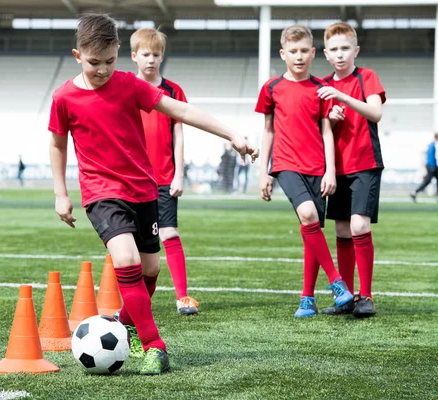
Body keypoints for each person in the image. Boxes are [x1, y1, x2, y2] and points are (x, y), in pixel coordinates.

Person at [48, 13, 257, 374]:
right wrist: (60, 194)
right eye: (94, 63)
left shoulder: (130, 85)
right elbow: (56, 144)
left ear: (117, 52)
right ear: (77, 55)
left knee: (150, 269)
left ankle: (124, 320)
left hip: (144, 191)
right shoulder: (64, 97)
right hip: (101, 193)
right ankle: (153, 345)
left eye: (109, 61)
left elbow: (181, 110)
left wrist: (231, 134)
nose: (102, 70)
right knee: (126, 261)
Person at [256, 25, 354, 318]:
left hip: (317, 168)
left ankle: (307, 299)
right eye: (293, 52)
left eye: (303, 52)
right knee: (309, 216)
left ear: (312, 53)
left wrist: (331, 171)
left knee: (312, 232)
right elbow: (268, 131)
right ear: (283, 54)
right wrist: (264, 172)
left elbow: (327, 132)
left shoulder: (321, 90)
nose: (298, 57)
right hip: (286, 165)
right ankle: (337, 282)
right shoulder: (271, 87)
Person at [317, 22, 387, 317]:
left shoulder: (366, 77)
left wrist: (343, 98)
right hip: (337, 168)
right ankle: (346, 297)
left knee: (359, 225)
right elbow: (320, 129)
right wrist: (330, 118)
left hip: (366, 163)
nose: (340, 54)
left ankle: (366, 296)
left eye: (346, 48)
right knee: (343, 229)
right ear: (326, 53)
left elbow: (376, 113)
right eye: (334, 49)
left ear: (356, 50)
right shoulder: (321, 86)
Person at [131, 27, 199, 316]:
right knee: (131, 243)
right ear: (134, 56)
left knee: (169, 233)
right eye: (145, 54)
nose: (151, 60)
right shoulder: (126, 88)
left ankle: (182, 297)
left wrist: (179, 174)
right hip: (133, 179)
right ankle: (134, 299)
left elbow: (179, 134)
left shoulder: (173, 91)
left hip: (163, 178)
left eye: (156, 55)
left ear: (162, 57)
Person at [410, 132, 438, 202]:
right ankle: (414, 192)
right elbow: (431, 158)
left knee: (428, 181)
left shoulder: (431, 144)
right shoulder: (433, 145)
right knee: (427, 182)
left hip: (432, 166)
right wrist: (432, 167)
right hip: (432, 167)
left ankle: (414, 192)